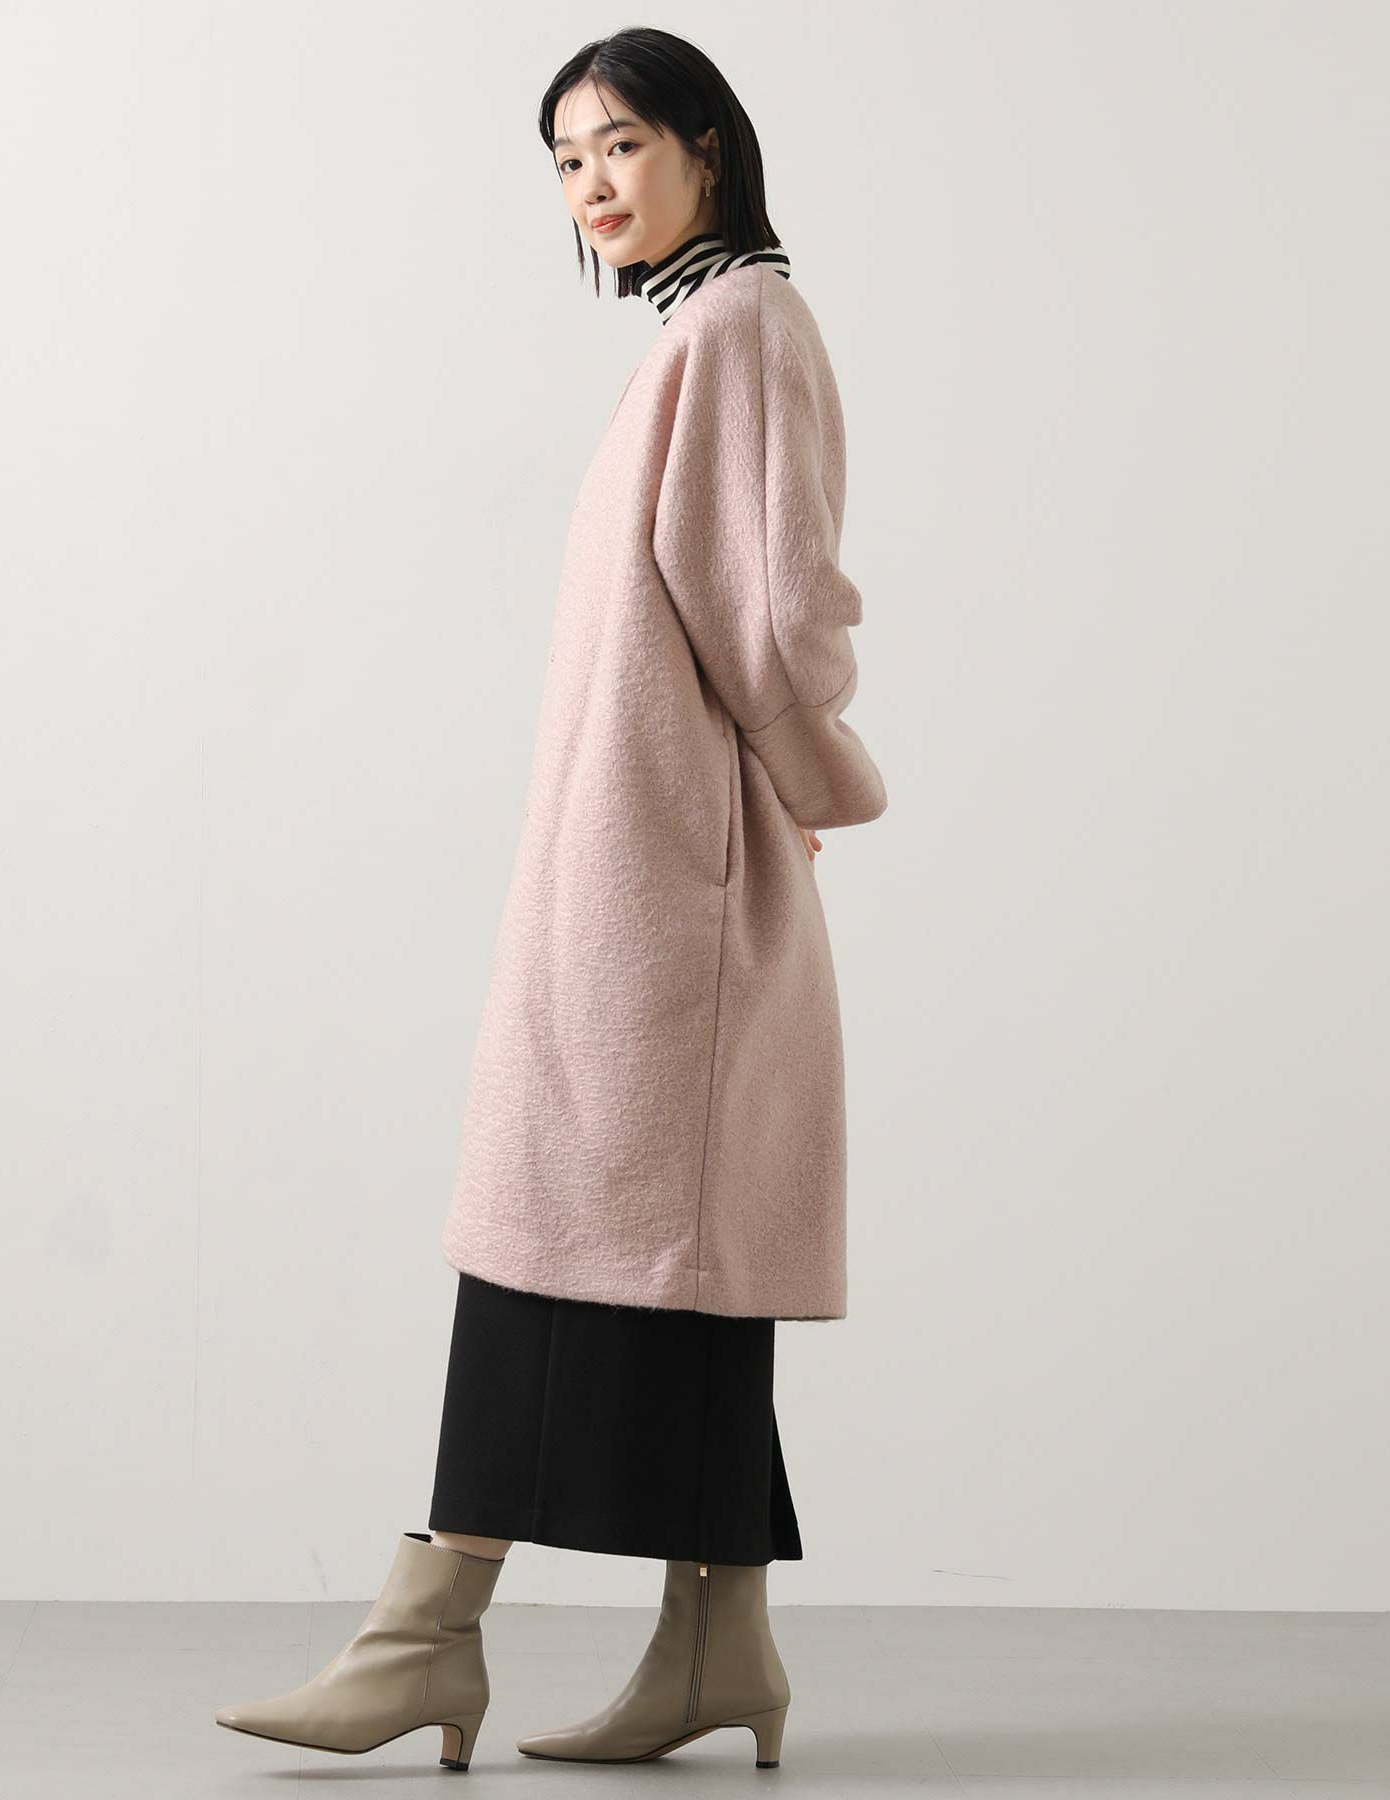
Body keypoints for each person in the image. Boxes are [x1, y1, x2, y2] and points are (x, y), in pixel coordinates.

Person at [216, 26, 887, 1775]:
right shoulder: (700, 331)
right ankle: (716, 1646)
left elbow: (775, 612)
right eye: (566, 160)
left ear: (709, 148)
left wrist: (812, 781)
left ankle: (425, 1632)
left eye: (621, 145)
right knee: (655, 1261)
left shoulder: (742, 328)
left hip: (670, 888)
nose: (591, 184)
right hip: (636, 868)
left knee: (566, 1237)